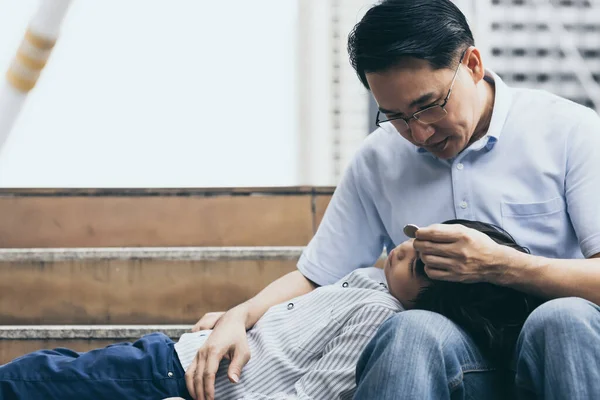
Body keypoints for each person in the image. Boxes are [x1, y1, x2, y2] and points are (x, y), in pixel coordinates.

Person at [188, 0, 600, 399]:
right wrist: (239, 316)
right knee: (411, 329)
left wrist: (503, 265)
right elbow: (320, 275)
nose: (420, 133)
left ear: (472, 65)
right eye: (397, 116)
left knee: (563, 317)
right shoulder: (379, 156)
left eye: (428, 105)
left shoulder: (568, 131)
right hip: (449, 360)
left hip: (559, 352)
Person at [0, 220, 541, 400]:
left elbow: (315, 391)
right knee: (49, 371)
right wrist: (237, 315)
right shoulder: (362, 281)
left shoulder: (383, 322)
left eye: (421, 267)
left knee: (42, 380)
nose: (406, 251)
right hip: (175, 354)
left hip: (187, 380)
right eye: (421, 240)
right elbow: (294, 303)